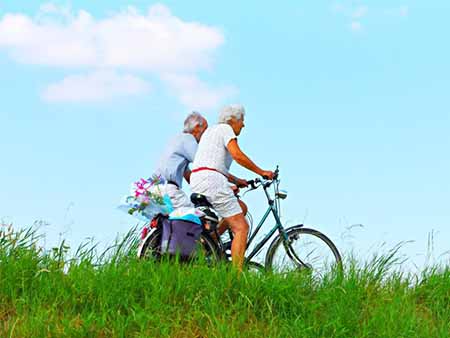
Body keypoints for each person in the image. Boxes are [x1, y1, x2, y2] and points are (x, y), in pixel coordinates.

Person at [190, 104, 274, 270]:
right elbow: (237, 155)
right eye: (242, 120)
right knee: (241, 227)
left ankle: (211, 241)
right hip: (211, 181)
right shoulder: (226, 129)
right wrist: (261, 171)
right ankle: (235, 278)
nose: (243, 124)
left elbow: (212, 163)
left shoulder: (211, 132)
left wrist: (236, 181)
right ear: (232, 120)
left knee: (240, 208)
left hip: (200, 179)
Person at [154, 112, 208, 209]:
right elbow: (204, 164)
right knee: (198, 218)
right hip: (169, 190)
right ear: (196, 127)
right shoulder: (188, 139)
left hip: (157, 190)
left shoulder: (176, 140)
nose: (206, 133)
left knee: (172, 222)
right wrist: (226, 185)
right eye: (205, 129)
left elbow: (188, 175)